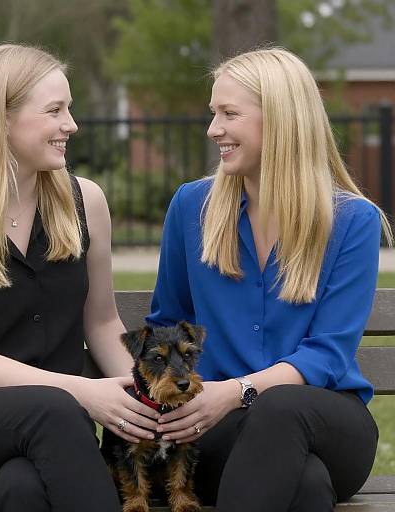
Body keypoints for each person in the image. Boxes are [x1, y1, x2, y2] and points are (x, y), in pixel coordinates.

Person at [0, 43, 160, 512]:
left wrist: (146, 396)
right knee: (53, 407)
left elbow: (101, 323)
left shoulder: (86, 202)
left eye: (70, 109)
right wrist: (83, 391)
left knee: (23, 491)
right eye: (55, 110)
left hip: (53, 435)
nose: (71, 125)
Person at [147, 47, 393, 512]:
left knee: (281, 408)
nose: (213, 129)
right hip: (217, 427)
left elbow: (328, 353)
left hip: (326, 421)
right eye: (213, 113)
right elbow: (169, 323)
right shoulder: (191, 208)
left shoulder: (352, 220)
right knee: (307, 485)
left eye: (229, 114)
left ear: (280, 120)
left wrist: (239, 390)